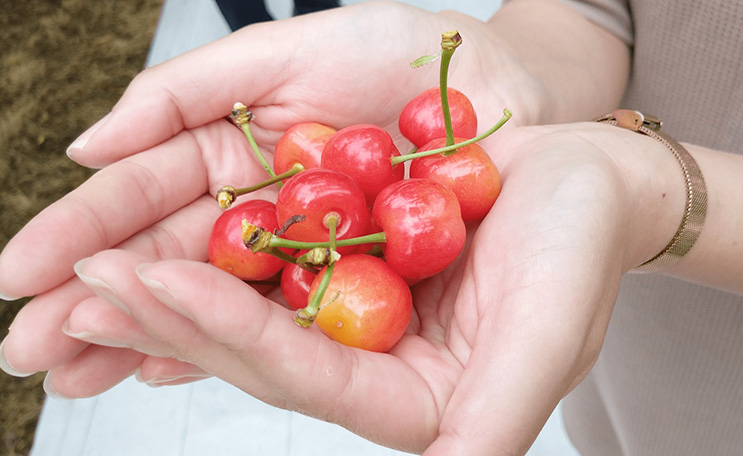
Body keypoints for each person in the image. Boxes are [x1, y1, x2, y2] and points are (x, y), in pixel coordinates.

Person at [1, 0, 742, 454]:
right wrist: (510, 63)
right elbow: (596, 6)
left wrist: (655, 195)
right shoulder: (353, 197)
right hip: (621, 326)